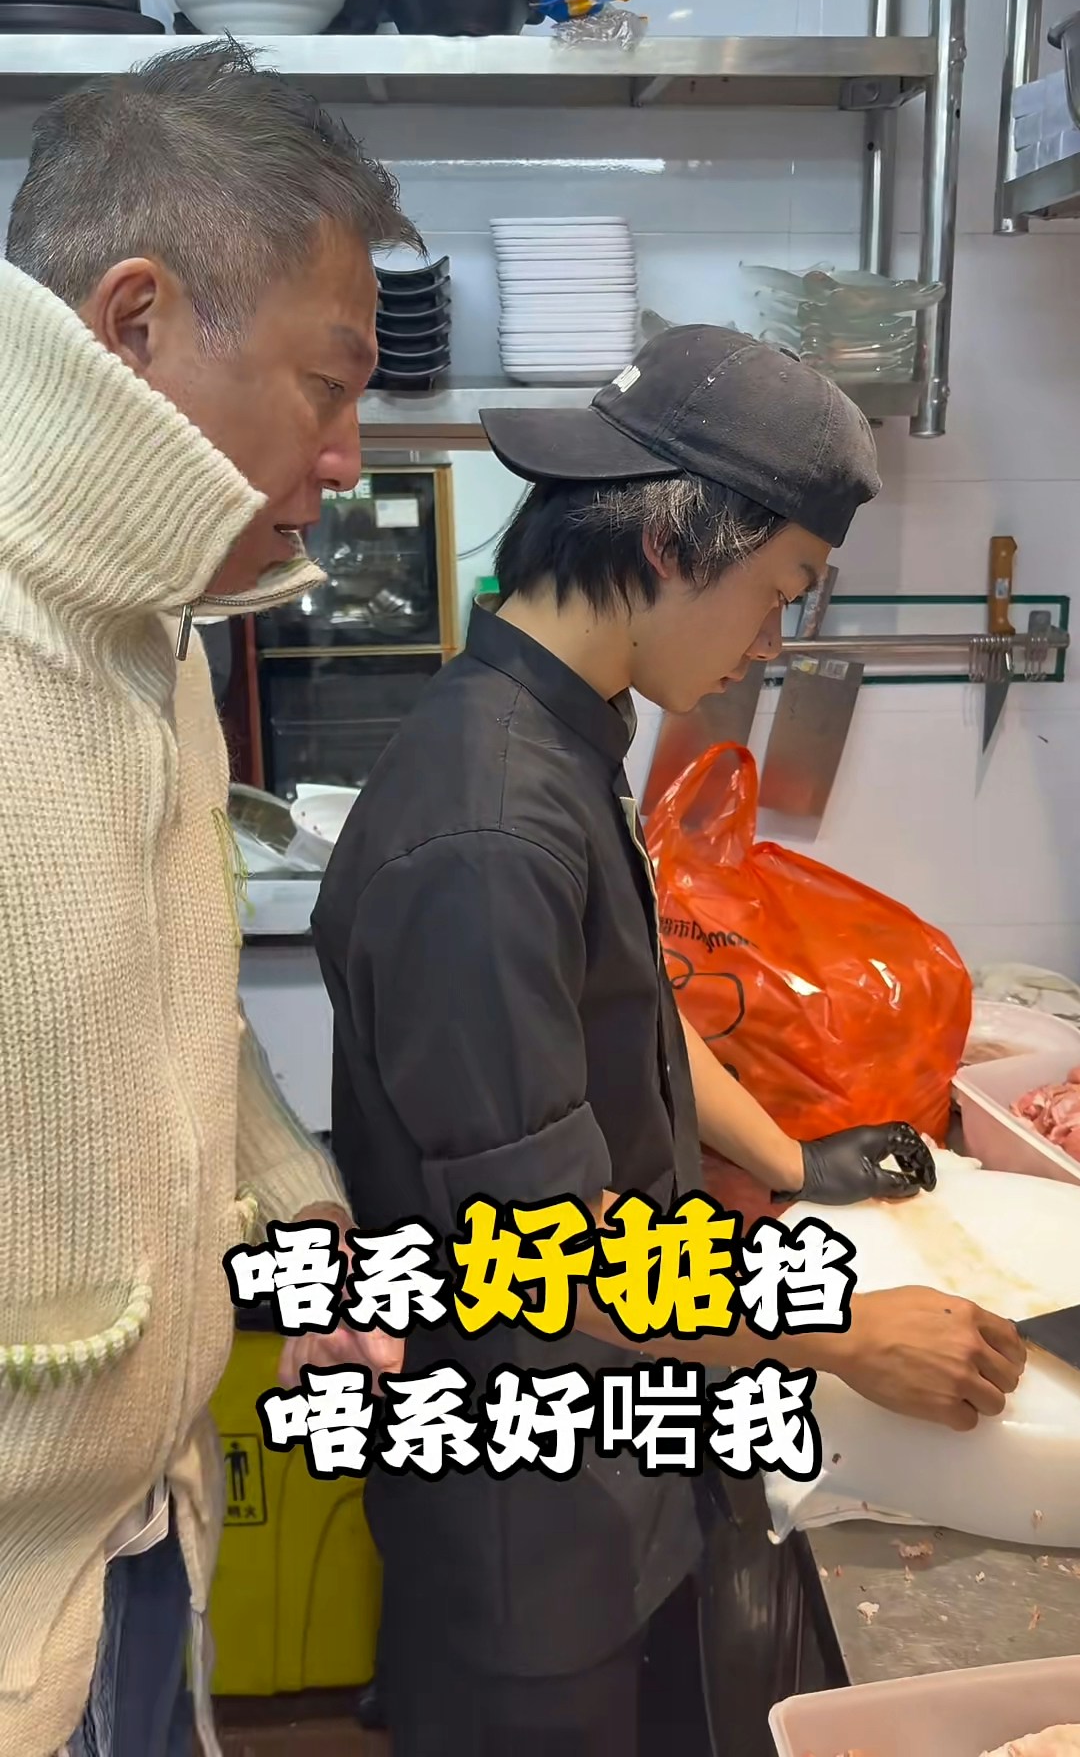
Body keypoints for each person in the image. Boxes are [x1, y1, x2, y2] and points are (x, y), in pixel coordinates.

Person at [313, 327, 1027, 1757]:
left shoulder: (560, 733)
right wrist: (844, 1334)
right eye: (779, 592)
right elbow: (543, 1253)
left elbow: (633, 1011)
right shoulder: (488, 836)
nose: (773, 642)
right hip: (529, 1525)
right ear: (665, 544)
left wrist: (800, 1164)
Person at [0, 40, 414, 1757]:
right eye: (329, 384)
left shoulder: (151, 637)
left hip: (146, 1540)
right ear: (136, 322)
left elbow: (167, 1009)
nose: (349, 456)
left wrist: (303, 1229)